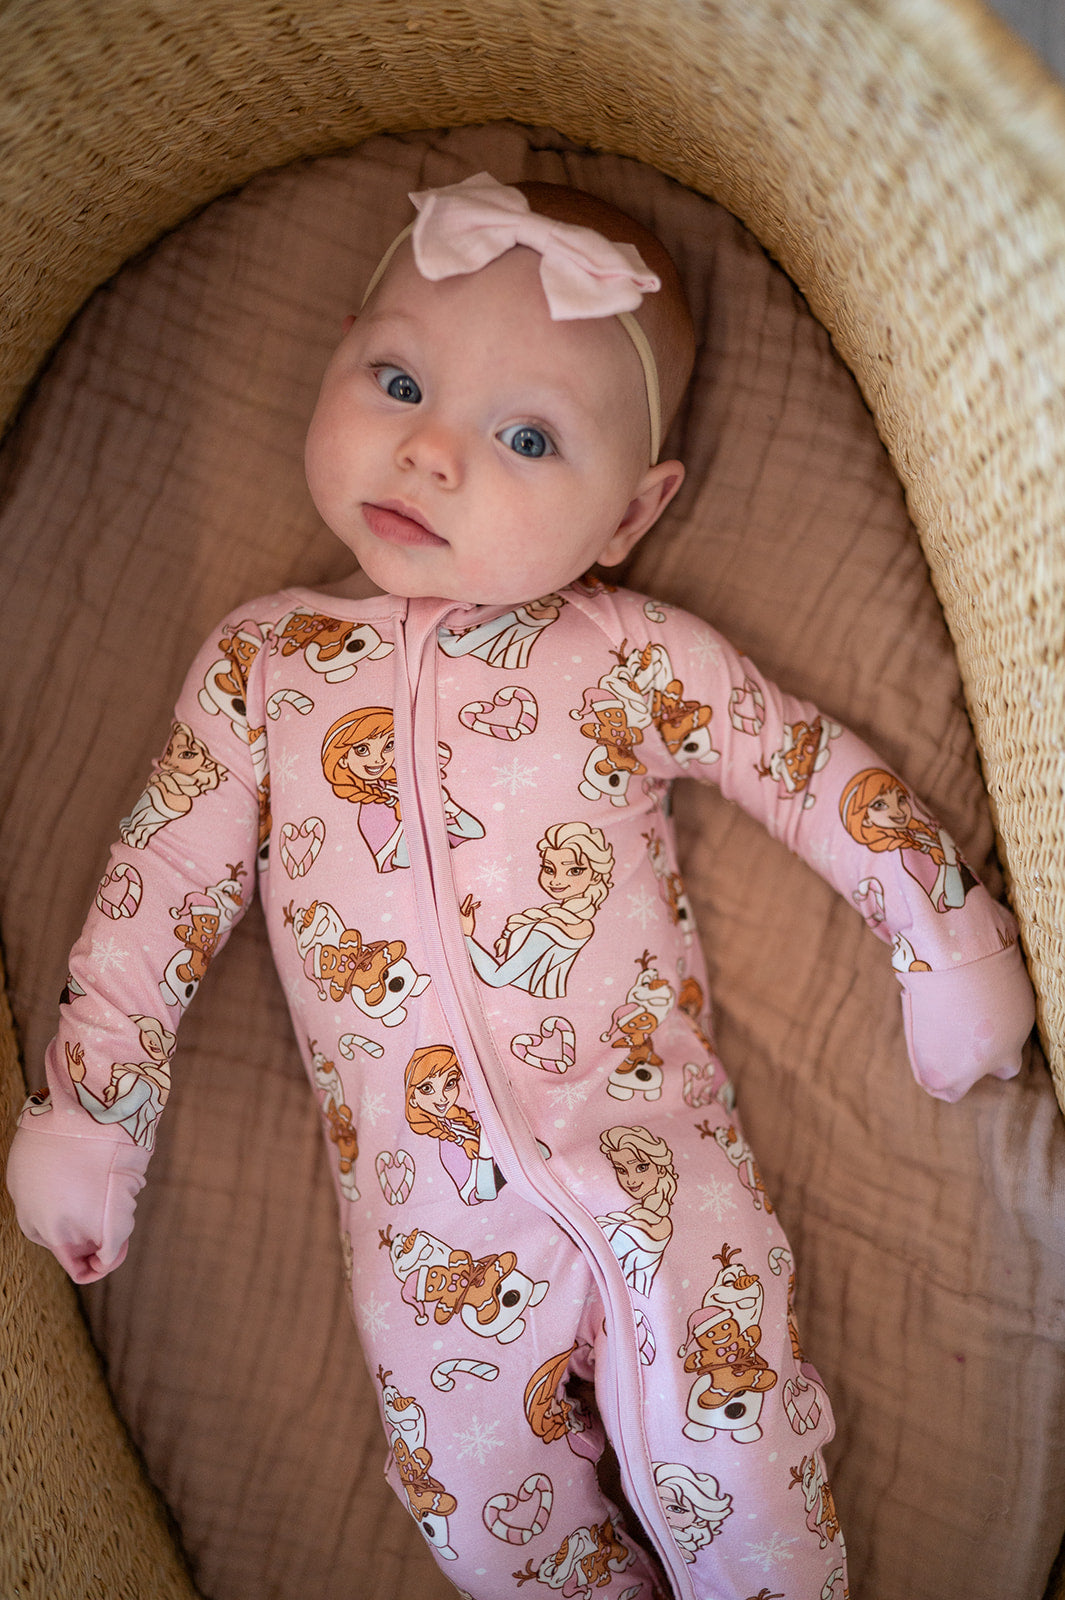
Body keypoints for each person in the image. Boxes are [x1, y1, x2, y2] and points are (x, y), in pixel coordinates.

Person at [6, 172, 1035, 1600]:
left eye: (529, 437)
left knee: (741, 1458)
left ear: (631, 511)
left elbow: (800, 766)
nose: (429, 453)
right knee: (488, 1530)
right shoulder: (265, 668)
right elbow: (161, 881)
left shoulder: (628, 654)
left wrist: (946, 937)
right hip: (426, 1235)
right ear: (336, 354)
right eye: (398, 382)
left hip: (652, 1170)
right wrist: (92, 1113)